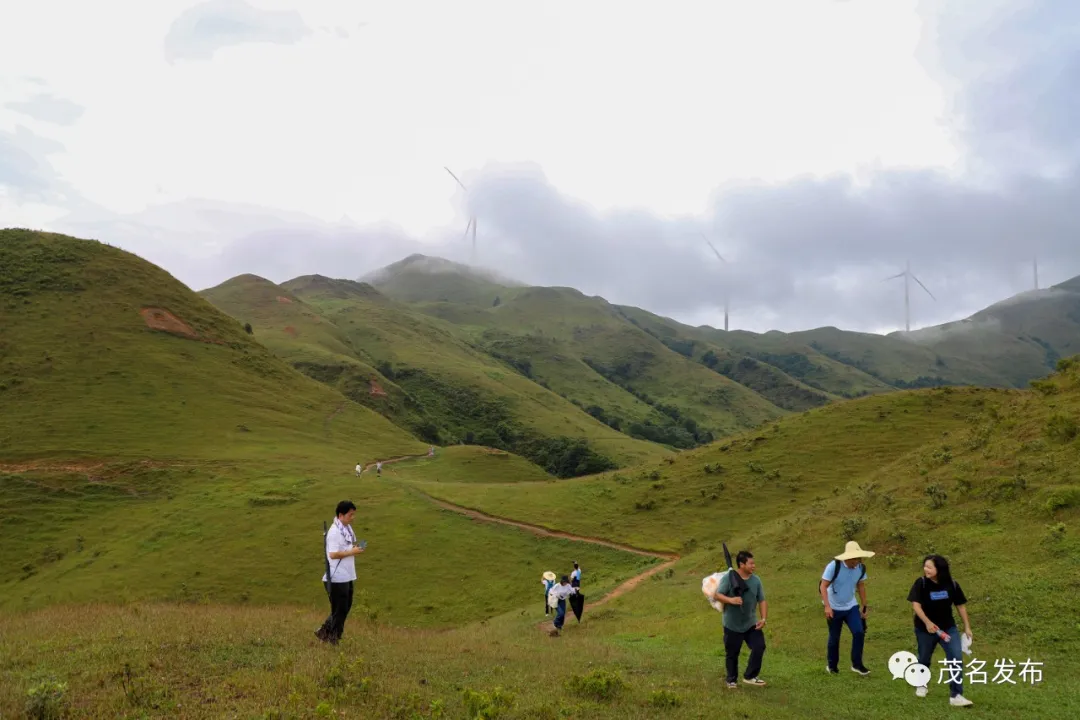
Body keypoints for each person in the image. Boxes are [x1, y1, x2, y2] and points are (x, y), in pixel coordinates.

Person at [907, 554, 974, 707]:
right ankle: (921, 684)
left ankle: (956, 695)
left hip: (948, 628)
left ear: (940, 569)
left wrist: (967, 627)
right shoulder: (921, 583)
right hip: (925, 629)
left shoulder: (952, 584)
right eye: (925, 566)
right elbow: (916, 606)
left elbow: (960, 606)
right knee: (924, 658)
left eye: (930, 567)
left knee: (956, 658)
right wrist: (928, 623)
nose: (926, 569)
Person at [711, 550, 768, 688]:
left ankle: (750, 676)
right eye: (751, 563)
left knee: (759, 646)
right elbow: (716, 595)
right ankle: (731, 680)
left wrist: (763, 618)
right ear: (741, 564)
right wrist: (731, 600)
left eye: (754, 563)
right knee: (732, 653)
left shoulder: (756, 580)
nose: (754, 566)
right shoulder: (729, 578)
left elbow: (762, 600)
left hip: (750, 623)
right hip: (732, 624)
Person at [820, 540, 873, 676]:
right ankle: (832, 667)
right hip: (834, 607)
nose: (856, 562)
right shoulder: (834, 566)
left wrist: (864, 605)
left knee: (859, 632)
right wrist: (827, 607)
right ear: (847, 558)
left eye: (858, 559)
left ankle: (857, 664)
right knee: (834, 638)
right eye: (853, 559)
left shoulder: (861, 568)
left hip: (851, 606)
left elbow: (860, 586)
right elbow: (823, 586)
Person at [316, 500, 364, 645]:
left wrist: (353, 549)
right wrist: (352, 551)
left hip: (347, 575)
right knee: (340, 610)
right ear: (341, 515)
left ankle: (324, 632)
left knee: (344, 608)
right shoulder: (335, 532)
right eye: (350, 515)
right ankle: (333, 638)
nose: (352, 518)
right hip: (337, 578)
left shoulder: (346, 530)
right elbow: (333, 554)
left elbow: (343, 550)